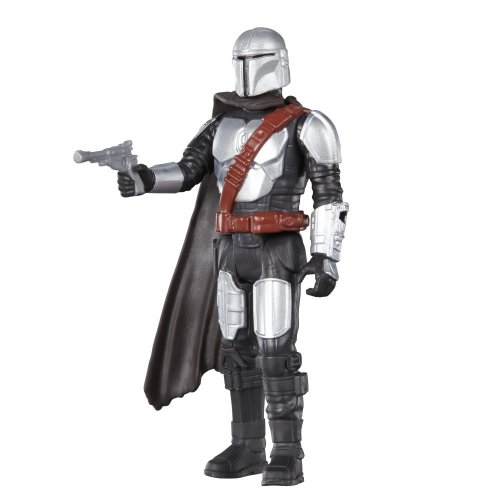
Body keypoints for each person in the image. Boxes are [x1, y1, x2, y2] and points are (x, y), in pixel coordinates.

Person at [118, 27, 348, 486]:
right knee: (237, 352)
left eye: (255, 60)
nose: (246, 69)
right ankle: (247, 446)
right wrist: (144, 179)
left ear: (277, 63)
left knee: (275, 352)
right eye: (240, 60)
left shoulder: (308, 124)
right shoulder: (220, 125)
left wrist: (326, 255)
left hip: (276, 251)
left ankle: (287, 453)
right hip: (228, 251)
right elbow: (188, 170)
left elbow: (329, 194)